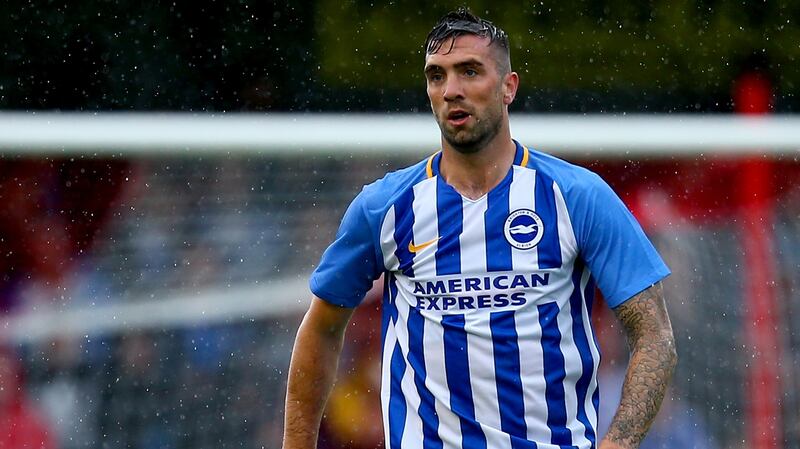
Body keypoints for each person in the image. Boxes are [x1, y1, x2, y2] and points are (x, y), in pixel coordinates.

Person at [283, 7, 677, 449]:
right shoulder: (385, 207)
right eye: (437, 76)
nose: (451, 90)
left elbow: (654, 335)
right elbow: (321, 329)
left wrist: (616, 444)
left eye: (469, 71)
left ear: (509, 86)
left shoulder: (577, 197)